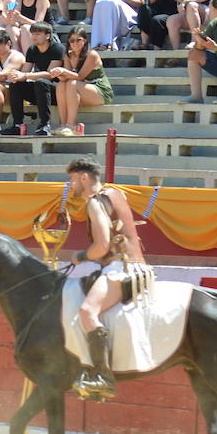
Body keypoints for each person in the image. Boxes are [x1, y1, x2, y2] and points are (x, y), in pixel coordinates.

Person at [65, 156, 151, 400]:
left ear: (84, 177)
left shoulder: (94, 203)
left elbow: (102, 246)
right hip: (137, 265)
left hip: (121, 268)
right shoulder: (115, 193)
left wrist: (80, 256)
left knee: (87, 312)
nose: (71, 185)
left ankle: (102, 377)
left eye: (72, 180)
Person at [3, 21, 64, 135]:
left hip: (58, 90)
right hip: (40, 90)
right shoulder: (32, 49)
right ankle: (17, 125)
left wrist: (24, 75)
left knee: (41, 82)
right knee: (16, 85)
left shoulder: (57, 48)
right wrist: (15, 75)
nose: (34, 37)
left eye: (38, 34)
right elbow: (25, 72)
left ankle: (45, 124)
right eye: (32, 34)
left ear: (48, 36)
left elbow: (50, 75)